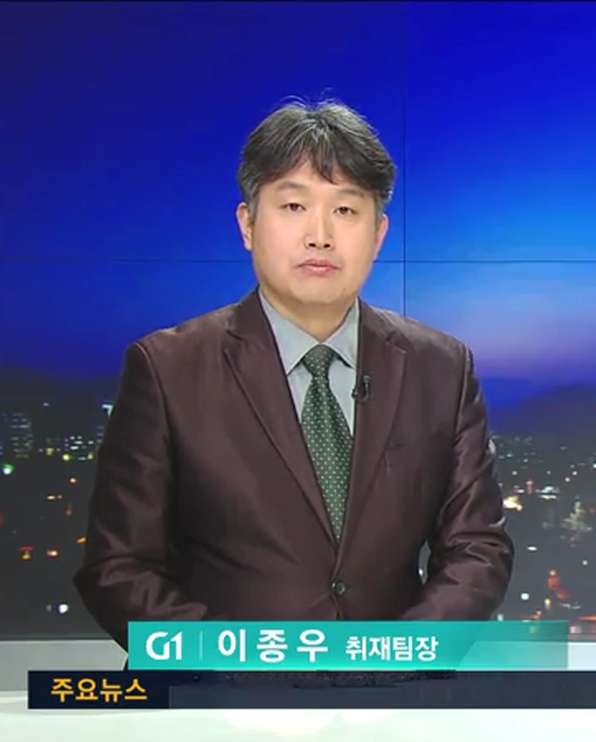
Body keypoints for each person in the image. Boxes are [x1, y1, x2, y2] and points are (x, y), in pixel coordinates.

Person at [74, 100, 514, 651]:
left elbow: (478, 549)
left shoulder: (441, 367)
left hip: (393, 690)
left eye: (346, 210)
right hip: (218, 691)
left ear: (378, 234)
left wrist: (391, 660)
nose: (320, 235)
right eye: (293, 206)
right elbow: (119, 568)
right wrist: (241, 665)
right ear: (247, 224)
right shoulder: (167, 368)